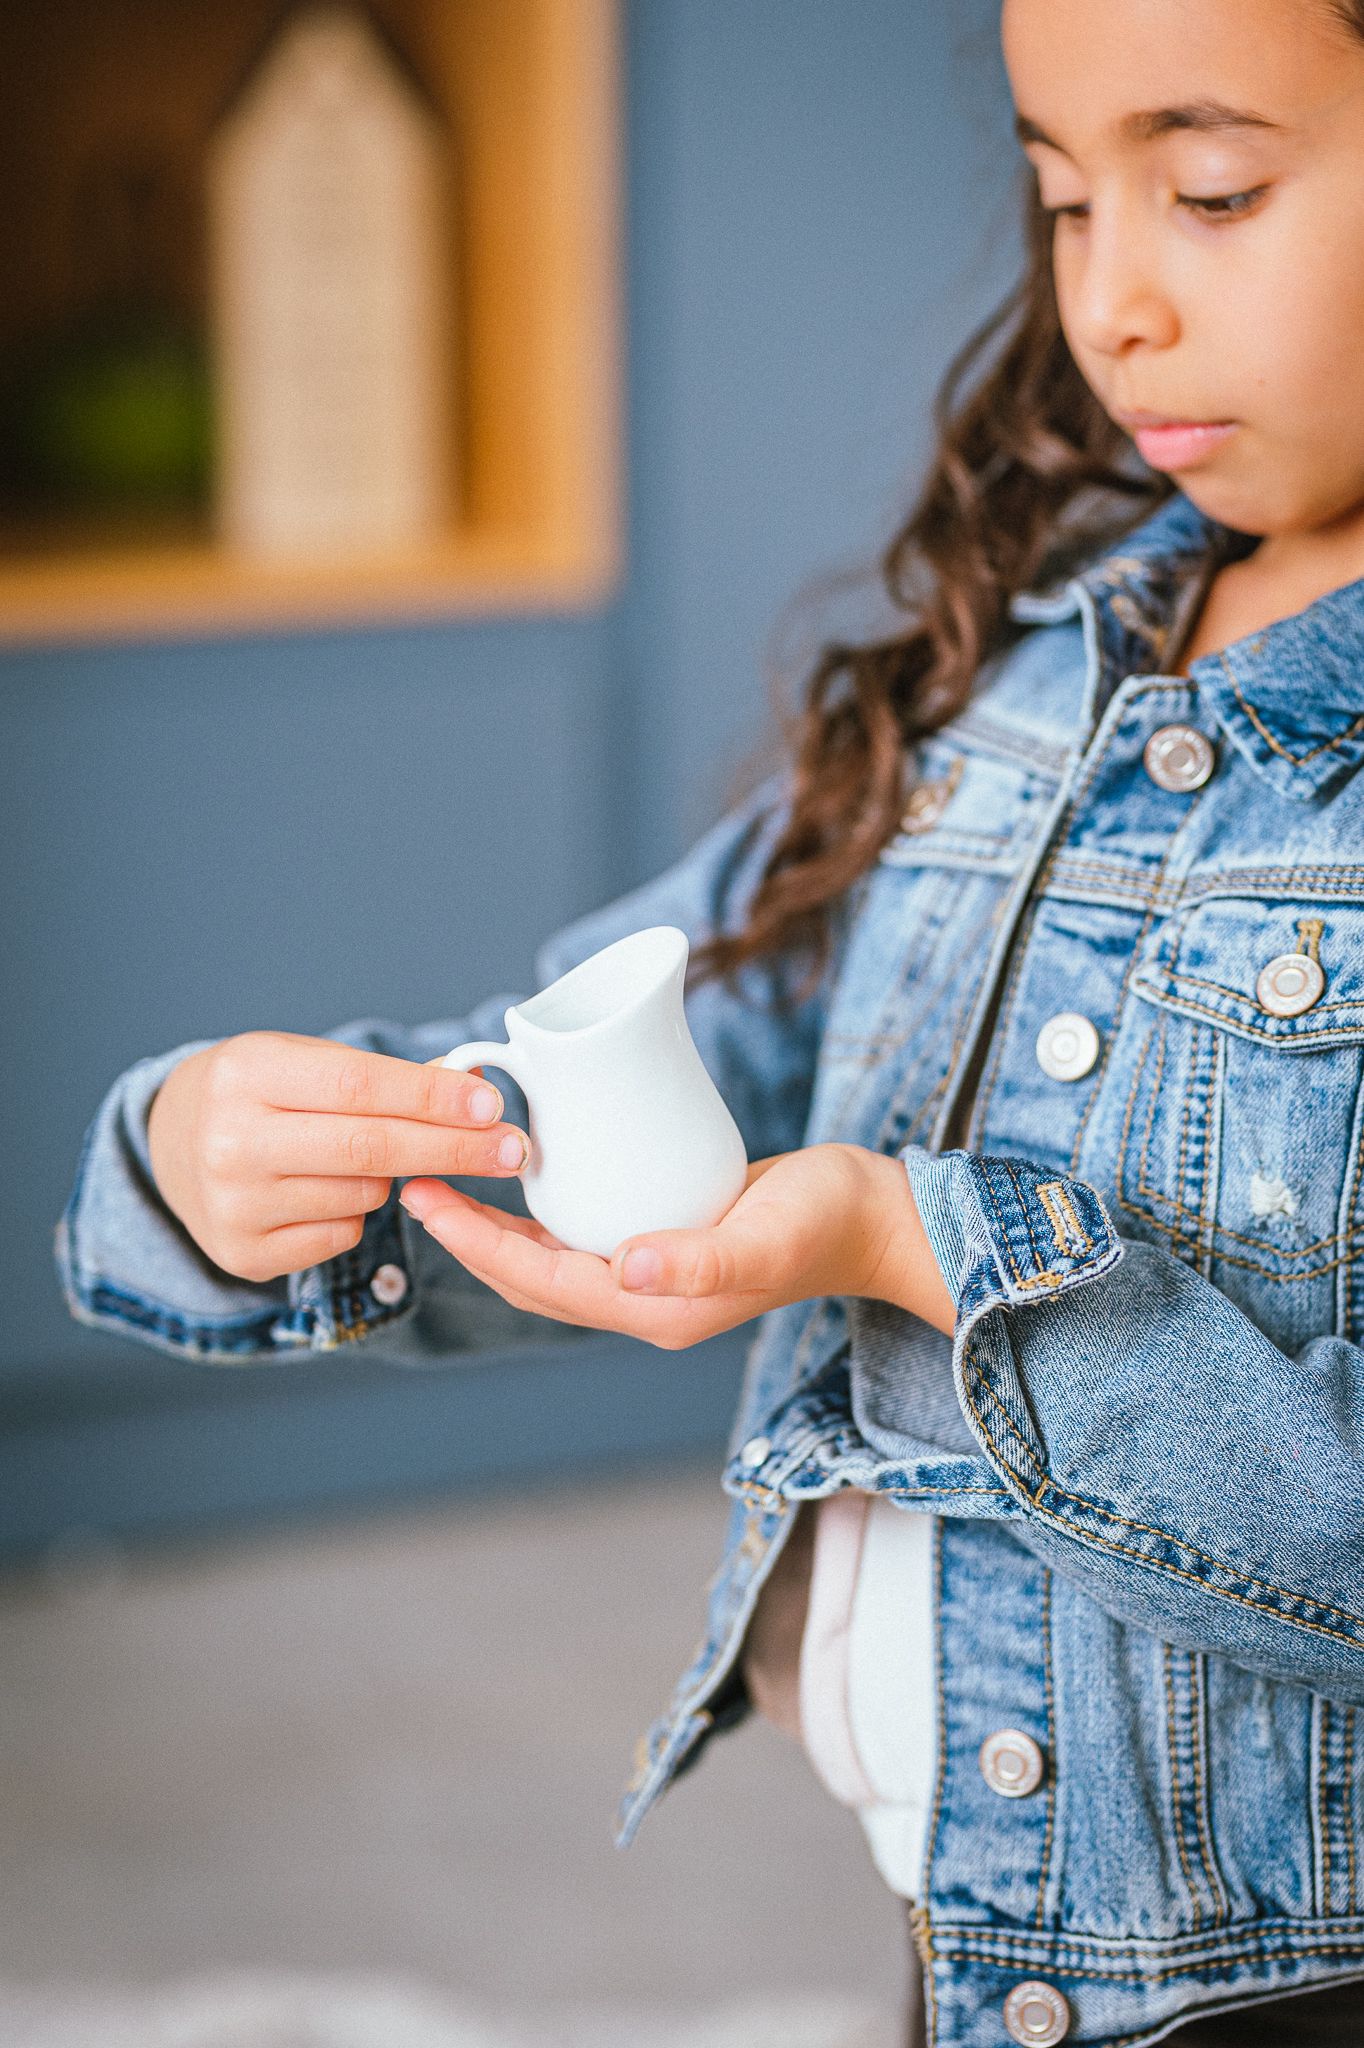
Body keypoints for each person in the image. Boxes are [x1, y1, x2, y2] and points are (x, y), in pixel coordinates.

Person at [55, 0, 1364, 2038]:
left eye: (1207, 192)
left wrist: (919, 1245)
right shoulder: (1008, 685)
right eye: (1058, 196)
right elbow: (624, 1097)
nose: (1106, 300)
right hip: (979, 1943)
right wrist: (227, 1167)